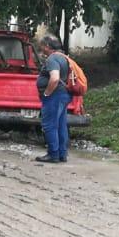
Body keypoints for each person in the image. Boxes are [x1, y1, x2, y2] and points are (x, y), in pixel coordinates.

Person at [35, 35, 72, 164]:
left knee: (49, 125)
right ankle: (62, 154)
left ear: (47, 46)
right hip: (64, 94)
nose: (41, 49)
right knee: (61, 124)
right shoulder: (64, 57)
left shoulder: (52, 58)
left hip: (55, 95)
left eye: (42, 46)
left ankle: (53, 154)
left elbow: (55, 78)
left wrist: (46, 93)